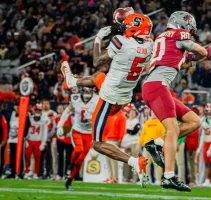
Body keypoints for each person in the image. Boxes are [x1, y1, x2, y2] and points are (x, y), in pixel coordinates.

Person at [61, 13, 153, 188]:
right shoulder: (150, 45)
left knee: (97, 144)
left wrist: (98, 38)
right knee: (100, 77)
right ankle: (72, 82)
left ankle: (134, 162)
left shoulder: (120, 41)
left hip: (108, 98)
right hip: (125, 97)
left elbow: (96, 60)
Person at [142, 11, 211, 192]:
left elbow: (186, 61)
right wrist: (206, 52)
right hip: (157, 86)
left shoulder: (164, 38)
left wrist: (199, 56)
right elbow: (198, 51)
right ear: (183, 24)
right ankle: (169, 176)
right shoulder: (179, 34)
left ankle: (157, 143)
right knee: (173, 129)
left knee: (194, 121)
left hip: (155, 86)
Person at [57, 87, 98, 190]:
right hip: (77, 130)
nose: (87, 93)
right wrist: (60, 125)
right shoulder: (75, 99)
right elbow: (67, 111)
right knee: (79, 149)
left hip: (89, 133)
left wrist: (92, 118)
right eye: (85, 91)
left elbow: (101, 115)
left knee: (81, 159)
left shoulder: (97, 100)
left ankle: (69, 181)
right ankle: (70, 165)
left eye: (89, 91)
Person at [137, 112, 164, 185]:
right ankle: (145, 179)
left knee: (157, 164)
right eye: (153, 113)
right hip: (147, 146)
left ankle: (158, 180)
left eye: (155, 113)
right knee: (144, 163)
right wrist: (139, 143)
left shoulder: (161, 123)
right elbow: (143, 134)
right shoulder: (147, 123)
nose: (154, 114)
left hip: (156, 146)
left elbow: (163, 135)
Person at [196, 103, 211, 187]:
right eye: (207, 111)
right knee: (207, 163)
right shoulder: (202, 120)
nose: (209, 112)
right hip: (205, 142)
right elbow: (202, 135)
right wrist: (200, 147)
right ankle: (207, 180)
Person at [102, 109, 126, 183]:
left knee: (113, 159)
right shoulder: (109, 115)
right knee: (108, 159)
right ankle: (110, 176)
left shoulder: (121, 116)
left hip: (115, 140)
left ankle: (115, 177)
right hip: (107, 139)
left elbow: (123, 129)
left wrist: (120, 140)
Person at [24, 104, 47, 180]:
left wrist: (43, 143)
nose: (37, 112)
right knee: (27, 157)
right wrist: (25, 139)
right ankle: (26, 172)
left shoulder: (44, 120)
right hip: (29, 140)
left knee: (38, 158)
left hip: (38, 141)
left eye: (39, 110)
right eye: (36, 110)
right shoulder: (30, 118)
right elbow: (26, 129)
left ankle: (35, 173)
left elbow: (45, 132)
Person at [121, 108, 141, 183]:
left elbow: (134, 132)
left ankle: (134, 178)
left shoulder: (137, 122)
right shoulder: (125, 121)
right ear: (128, 114)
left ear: (136, 114)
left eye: (134, 113)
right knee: (126, 161)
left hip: (134, 143)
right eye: (131, 112)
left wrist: (127, 131)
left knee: (134, 161)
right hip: (126, 144)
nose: (132, 114)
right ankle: (126, 177)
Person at [54, 105, 73, 180]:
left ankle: (67, 174)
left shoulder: (70, 117)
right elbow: (55, 128)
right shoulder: (56, 118)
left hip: (68, 140)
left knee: (68, 158)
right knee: (60, 157)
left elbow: (74, 126)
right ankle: (59, 174)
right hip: (60, 139)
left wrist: (70, 133)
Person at [0, 108, 8, 177]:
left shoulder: (1, 117)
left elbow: (5, 128)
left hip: (0, 140)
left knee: (1, 156)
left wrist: (4, 140)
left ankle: (0, 171)